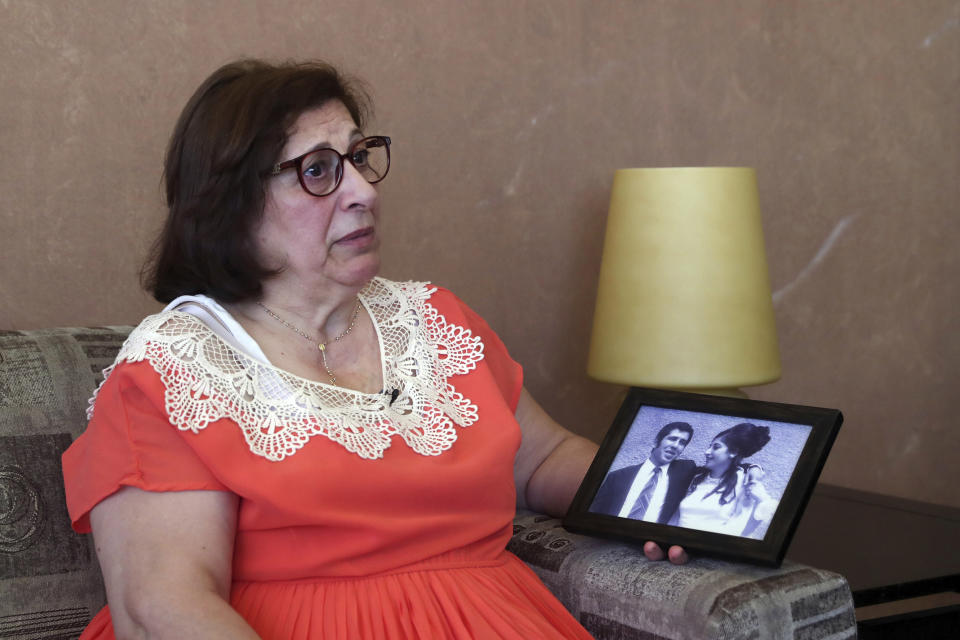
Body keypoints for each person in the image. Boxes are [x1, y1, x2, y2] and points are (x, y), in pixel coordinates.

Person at [61, 59, 687, 640]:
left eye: (359, 157)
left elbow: (545, 459)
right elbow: (161, 607)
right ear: (230, 202)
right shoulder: (174, 370)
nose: (363, 190)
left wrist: (655, 507)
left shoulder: (436, 320)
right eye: (318, 169)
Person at [675, 423, 777, 538]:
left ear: (733, 452)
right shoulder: (696, 477)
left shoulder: (745, 482)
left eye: (716, 447)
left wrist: (755, 469)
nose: (707, 452)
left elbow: (760, 513)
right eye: (709, 446)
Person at [589, 422, 697, 524]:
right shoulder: (618, 476)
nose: (676, 445)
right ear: (656, 441)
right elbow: (594, 512)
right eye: (672, 439)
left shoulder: (685, 470)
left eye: (682, 443)